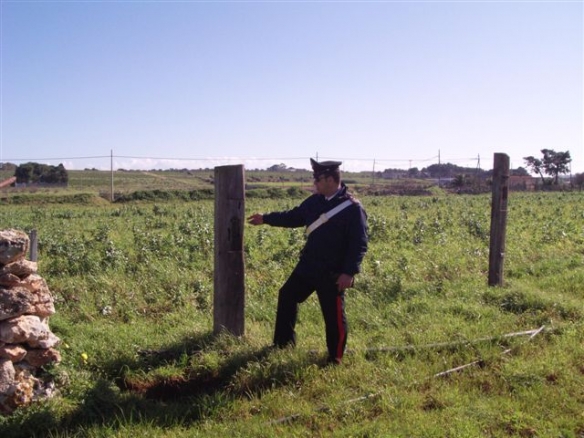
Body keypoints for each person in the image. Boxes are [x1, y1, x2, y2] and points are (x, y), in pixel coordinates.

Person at [248, 159, 368, 365]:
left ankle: (335, 357)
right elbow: (294, 217)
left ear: (330, 179)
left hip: (333, 272)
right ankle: (283, 344)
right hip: (309, 266)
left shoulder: (352, 208)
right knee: (287, 295)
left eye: (318, 178)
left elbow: (359, 244)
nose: (314, 183)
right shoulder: (315, 201)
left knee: (333, 316)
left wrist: (348, 272)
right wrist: (266, 218)